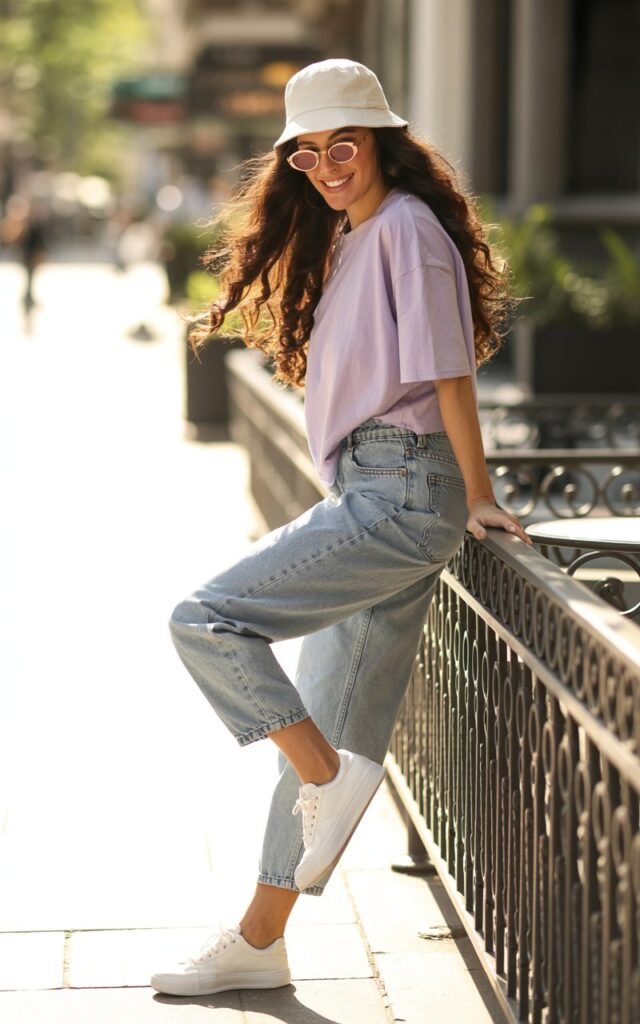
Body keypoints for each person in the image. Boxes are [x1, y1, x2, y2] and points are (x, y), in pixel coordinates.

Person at [151, 58, 532, 998]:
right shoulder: (350, 233)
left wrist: (475, 494)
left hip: (402, 493)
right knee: (329, 736)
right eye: (308, 151)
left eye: (344, 144)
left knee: (206, 621)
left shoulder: (407, 227)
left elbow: (448, 373)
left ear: (383, 142)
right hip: (376, 487)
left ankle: (322, 778)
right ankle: (259, 940)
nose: (328, 164)